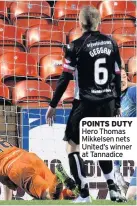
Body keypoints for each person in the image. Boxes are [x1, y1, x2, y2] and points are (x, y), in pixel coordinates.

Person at [45, 6, 126, 203]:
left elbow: (65, 79)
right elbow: (117, 76)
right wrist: (117, 104)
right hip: (107, 103)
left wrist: (53, 105)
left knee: (72, 148)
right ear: (99, 22)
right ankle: (113, 189)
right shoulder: (111, 43)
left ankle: (83, 195)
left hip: (85, 104)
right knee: (102, 147)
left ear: (80, 23)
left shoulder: (75, 47)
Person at [114, 66, 136, 196]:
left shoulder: (132, 92)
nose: (122, 79)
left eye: (124, 76)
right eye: (119, 76)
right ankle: (117, 175)